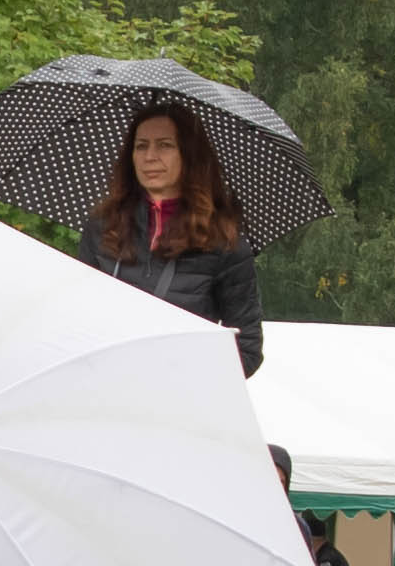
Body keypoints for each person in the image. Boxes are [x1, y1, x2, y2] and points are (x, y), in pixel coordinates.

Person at [83, 103, 265, 373]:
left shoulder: (223, 242)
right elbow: (79, 318)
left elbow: (246, 349)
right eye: (141, 146)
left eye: (165, 145)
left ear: (188, 155)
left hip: (178, 392)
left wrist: (179, 372)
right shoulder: (102, 226)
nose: (150, 157)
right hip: (103, 387)